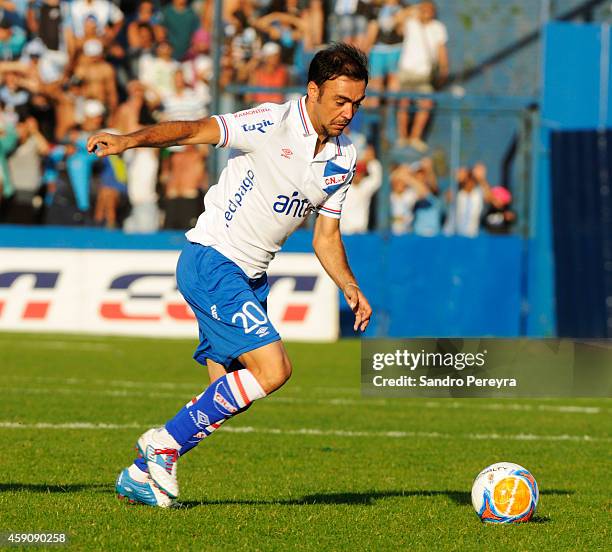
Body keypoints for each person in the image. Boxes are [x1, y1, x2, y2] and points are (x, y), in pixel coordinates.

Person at [87, 43, 372, 508]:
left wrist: (350, 285)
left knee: (227, 389)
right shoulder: (270, 123)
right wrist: (129, 139)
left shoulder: (344, 157)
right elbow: (195, 129)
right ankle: (161, 444)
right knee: (275, 370)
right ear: (313, 90)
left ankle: (139, 476)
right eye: (340, 101)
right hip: (213, 260)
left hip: (251, 278)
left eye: (356, 104)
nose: (348, 112)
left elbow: (325, 236)